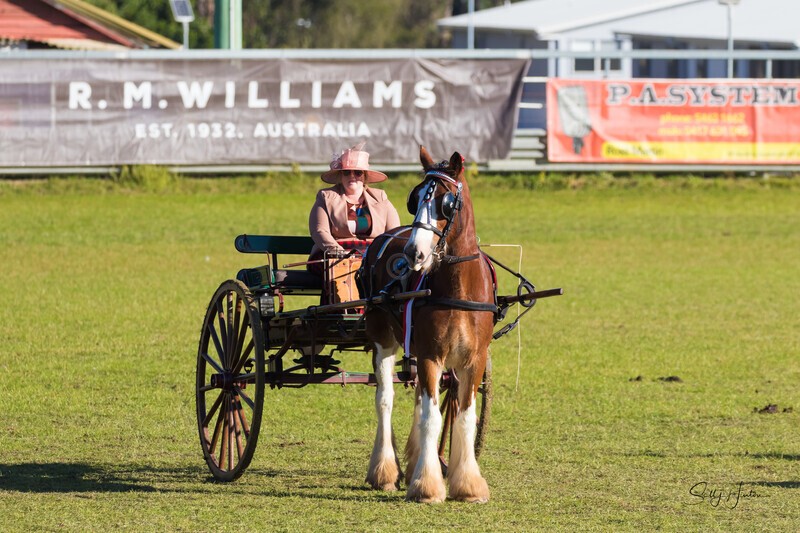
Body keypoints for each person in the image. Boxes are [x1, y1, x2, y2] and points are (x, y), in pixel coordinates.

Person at [308, 142, 400, 302]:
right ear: (340, 176)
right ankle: (343, 310)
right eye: (346, 173)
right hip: (334, 254)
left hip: (372, 255)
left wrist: (381, 254)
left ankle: (385, 313)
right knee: (345, 269)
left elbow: (395, 233)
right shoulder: (326, 197)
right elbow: (319, 231)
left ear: (364, 177)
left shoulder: (381, 198)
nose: (352, 176)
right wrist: (338, 253)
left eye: (357, 173)